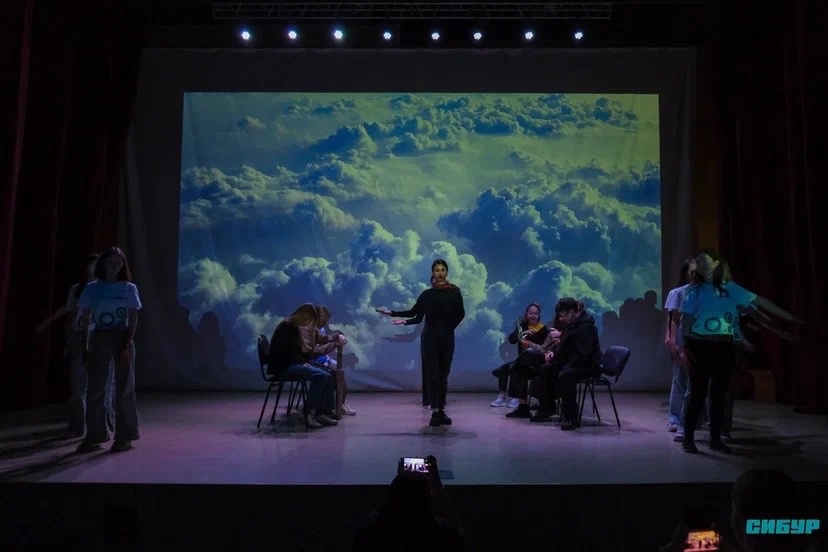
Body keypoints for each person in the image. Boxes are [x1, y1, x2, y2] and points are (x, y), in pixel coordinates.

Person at [678, 250, 801, 454]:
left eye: (705, 259)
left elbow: (759, 303)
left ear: (716, 264)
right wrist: (684, 347)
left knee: (719, 395)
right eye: (699, 260)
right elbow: (686, 323)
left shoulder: (731, 289)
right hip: (700, 345)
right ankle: (688, 438)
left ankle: (715, 438)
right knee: (697, 393)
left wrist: (788, 318)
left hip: (724, 345)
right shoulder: (693, 291)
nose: (700, 263)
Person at [376, 260, 465, 427]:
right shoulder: (427, 294)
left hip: (446, 337)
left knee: (443, 375)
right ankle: (435, 412)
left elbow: (460, 314)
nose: (440, 273)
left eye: (443, 270)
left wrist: (448, 327)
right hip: (430, 337)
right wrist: (392, 313)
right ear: (433, 273)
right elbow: (414, 313)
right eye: (437, 270)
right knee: (433, 375)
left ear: (447, 272)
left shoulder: (455, 292)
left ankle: (441, 410)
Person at [36, 254, 115, 436]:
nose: (93, 267)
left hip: (100, 337)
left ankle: (102, 424)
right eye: (91, 264)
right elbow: (68, 310)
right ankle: (79, 425)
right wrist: (48, 323)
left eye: (97, 264)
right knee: (78, 386)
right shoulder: (77, 289)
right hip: (79, 337)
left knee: (103, 385)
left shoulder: (107, 288)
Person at [75, 247, 142, 453]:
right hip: (100, 337)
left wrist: (127, 341)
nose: (115, 267)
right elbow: (86, 316)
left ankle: (125, 436)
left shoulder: (128, 288)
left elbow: (133, 317)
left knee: (124, 388)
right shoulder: (92, 288)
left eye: (119, 263)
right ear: (103, 264)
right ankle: (95, 434)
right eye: (110, 262)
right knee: (96, 388)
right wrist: (86, 343)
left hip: (122, 337)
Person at [352, 455, 464, 550]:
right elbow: (456, 530)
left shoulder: (366, 533)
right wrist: (436, 483)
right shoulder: (445, 537)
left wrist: (401, 478)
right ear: (427, 500)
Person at [532, 297, 602, 429]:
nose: (561, 319)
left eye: (563, 315)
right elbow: (565, 345)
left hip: (588, 366)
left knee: (566, 375)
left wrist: (564, 362)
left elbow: (584, 353)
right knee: (546, 369)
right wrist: (554, 353)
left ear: (571, 312)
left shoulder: (586, 326)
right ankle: (547, 408)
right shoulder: (572, 324)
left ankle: (571, 417)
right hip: (573, 363)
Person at [268, 304, 339, 429]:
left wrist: (335, 337)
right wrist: (302, 362)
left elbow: (310, 344)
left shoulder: (294, 327)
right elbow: (291, 352)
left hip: (291, 363)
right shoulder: (288, 327)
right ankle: (309, 413)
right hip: (283, 366)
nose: (312, 323)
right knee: (321, 376)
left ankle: (322, 413)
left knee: (328, 375)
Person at [490, 303, 550, 408]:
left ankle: (517, 398)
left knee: (515, 369)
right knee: (506, 368)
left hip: (535, 364)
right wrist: (521, 333)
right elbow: (511, 340)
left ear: (539, 315)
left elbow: (543, 348)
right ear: (526, 314)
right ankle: (501, 397)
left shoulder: (543, 329)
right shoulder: (522, 327)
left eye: (536, 314)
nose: (533, 316)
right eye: (530, 313)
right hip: (521, 360)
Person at [312, 305, 356, 416]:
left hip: (319, 356)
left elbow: (325, 339)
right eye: (323, 320)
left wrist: (338, 335)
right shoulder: (310, 329)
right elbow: (314, 351)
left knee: (339, 371)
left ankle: (340, 403)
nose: (325, 323)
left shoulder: (321, 329)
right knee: (335, 371)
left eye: (326, 321)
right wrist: (334, 344)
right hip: (311, 358)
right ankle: (329, 407)